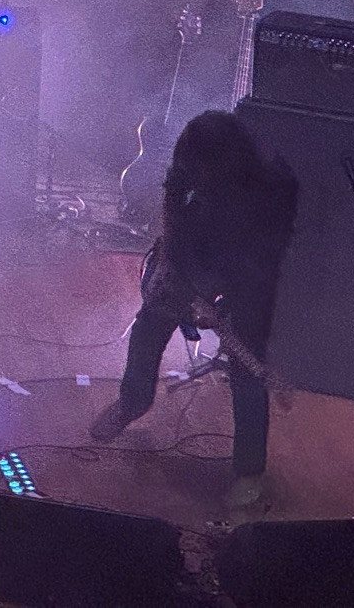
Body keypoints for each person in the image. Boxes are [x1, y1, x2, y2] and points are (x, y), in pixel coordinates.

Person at [90, 110, 297, 509]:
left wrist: (217, 300)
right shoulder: (195, 153)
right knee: (150, 325)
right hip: (196, 241)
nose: (194, 176)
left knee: (247, 362)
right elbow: (173, 196)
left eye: (203, 172)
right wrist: (171, 263)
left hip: (253, 265)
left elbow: (264, 257)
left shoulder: (273, 185)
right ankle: (133, 400)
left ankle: (249, 471)